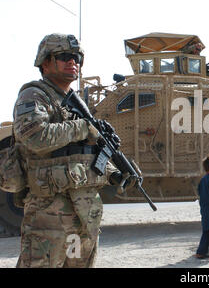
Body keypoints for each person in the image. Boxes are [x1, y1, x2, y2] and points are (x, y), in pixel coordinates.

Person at [12, 33, 132, 268]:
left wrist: (113, 174)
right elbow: (34, 137)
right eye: (65, 56)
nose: (73, 62)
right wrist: (83, 128)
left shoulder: (76, 104)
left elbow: (87, 153)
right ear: (45, 63)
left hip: (84, 214)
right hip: (49, 214)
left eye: (77, 57)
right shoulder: (34, 95)